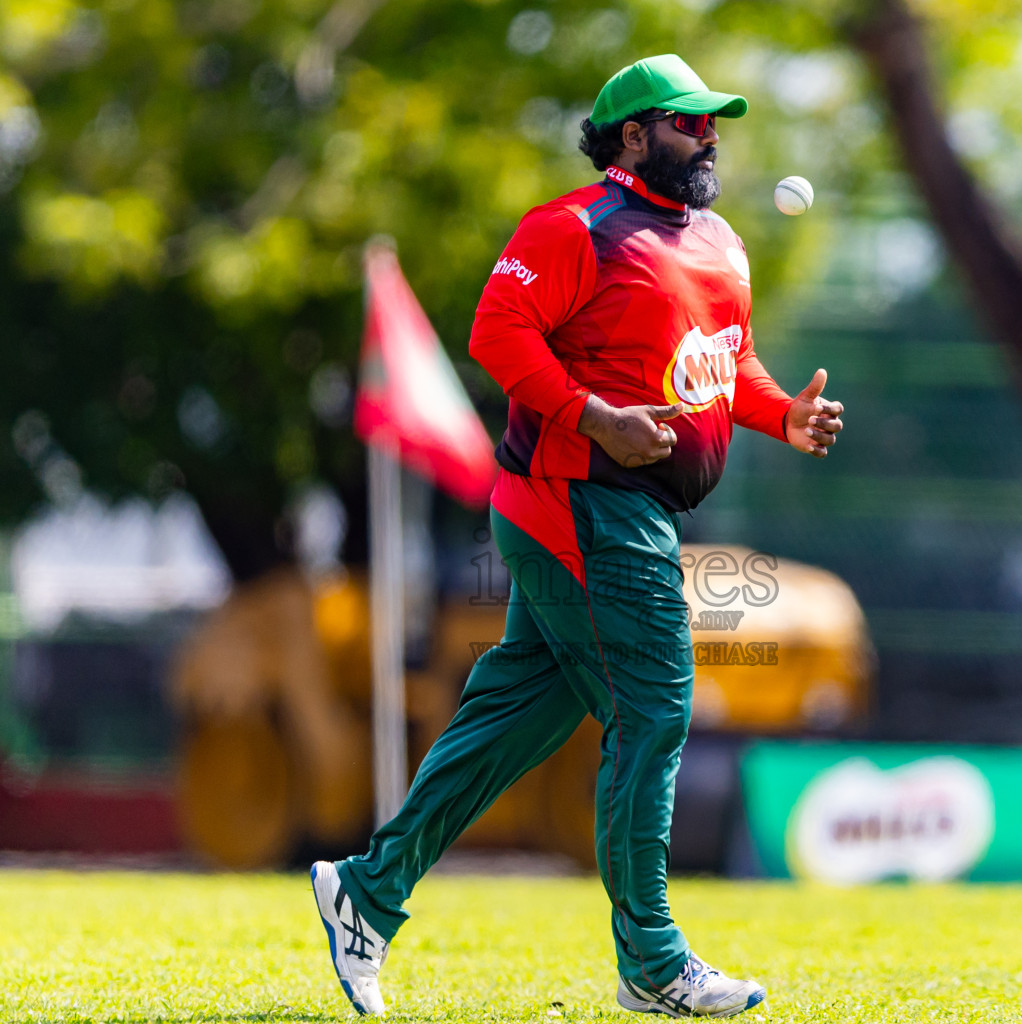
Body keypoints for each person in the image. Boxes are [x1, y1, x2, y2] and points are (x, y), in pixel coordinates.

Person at [309, 53, 844, 1019]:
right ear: (633, 135)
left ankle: (368, 890)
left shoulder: (721, 241)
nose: (709, 136)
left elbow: (725, 366)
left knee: (516, 720)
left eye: (714, 122)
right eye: (689, 122)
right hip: (577, 501)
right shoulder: (571, 229)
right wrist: (595, 416)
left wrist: (781, 417)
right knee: (657, 711)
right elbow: (496, 335)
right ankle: (653, 959)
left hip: (625, 508)